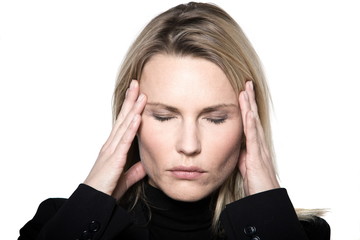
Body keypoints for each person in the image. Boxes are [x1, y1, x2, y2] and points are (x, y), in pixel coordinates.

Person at [18, 2, 330, 240]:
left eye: (216, 118)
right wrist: (92, 197)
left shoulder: (296, 232)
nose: (189, 145)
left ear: (249, 126)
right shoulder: (61, 222)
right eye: (164, 116)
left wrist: (267, 206)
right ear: (130, 119)